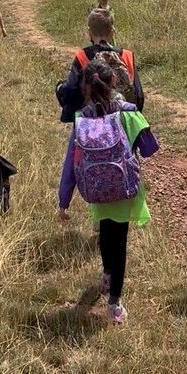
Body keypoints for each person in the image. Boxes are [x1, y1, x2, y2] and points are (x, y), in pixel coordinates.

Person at [58, 58, 158, 324]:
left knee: (104, 229)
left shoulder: (82, 119)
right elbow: (150, 148)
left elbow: (70, 163)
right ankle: (115, 303)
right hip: (124, 188)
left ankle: (105, 273)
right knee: (120, 242)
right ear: (114, 82)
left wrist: (63, 201)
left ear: (86, 90)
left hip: (96, 189)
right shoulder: (127, 113)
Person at [56, 0, 144, 123]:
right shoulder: (127, 56)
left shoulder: (83, 57)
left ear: (89, 33)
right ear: (112, 33)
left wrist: (59, 89)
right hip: (122, 120)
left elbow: (70, 90)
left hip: (91, 123)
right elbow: (139, 96)